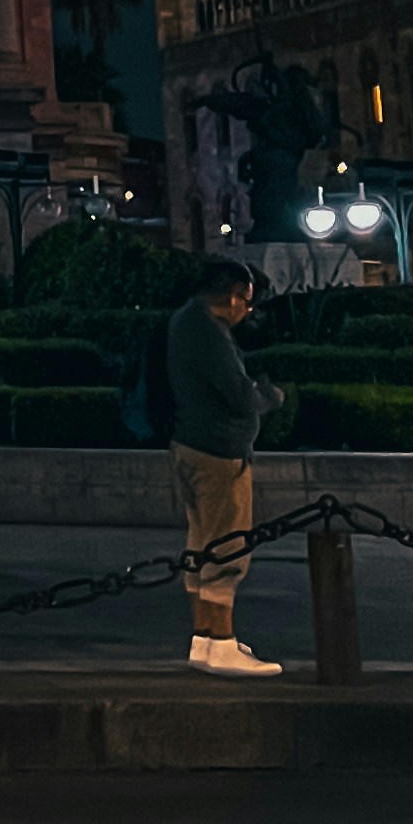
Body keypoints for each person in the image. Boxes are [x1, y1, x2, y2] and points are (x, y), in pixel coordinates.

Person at [166, 260, 286, 675]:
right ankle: (221, 643)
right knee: (227, 548)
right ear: (233, 295)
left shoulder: (186, 323)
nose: (247, 311)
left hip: (192, 445)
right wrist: (269, 397)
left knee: (202, 546)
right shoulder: (207, 333)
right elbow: (238, 395)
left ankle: (204, 640)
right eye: (246, 302)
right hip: (218, 453)